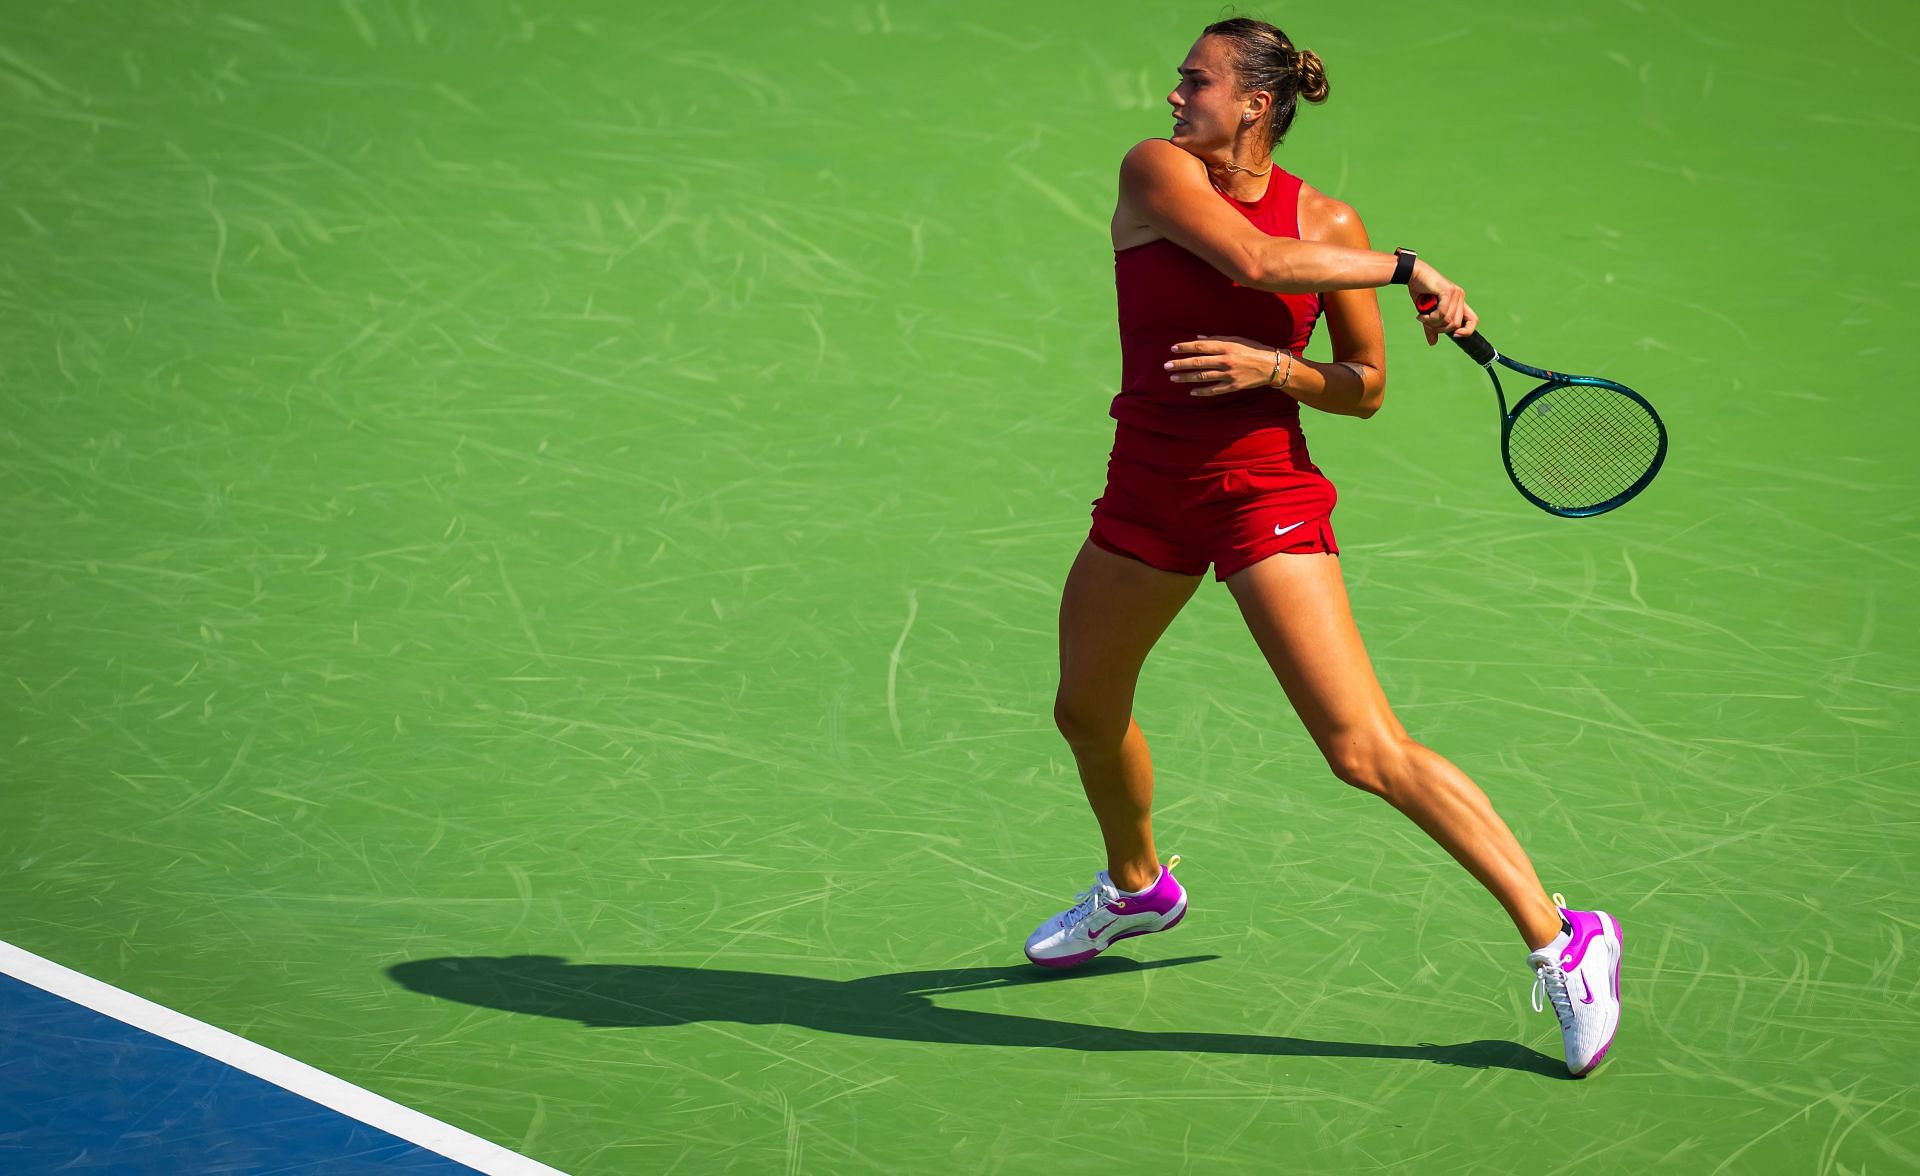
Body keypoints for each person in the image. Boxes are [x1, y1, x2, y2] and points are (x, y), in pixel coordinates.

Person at [1021, 17, 1623, 1077]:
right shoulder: (1156, 172)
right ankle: (1137, 889)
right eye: (1179, 81)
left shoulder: (1330, 221)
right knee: (1085, 708)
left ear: (1255, 102)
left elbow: (1366, 386)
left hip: (1261, 496)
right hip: (1147, 487)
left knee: (1363, 751)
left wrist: (1278, 373)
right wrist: (1405, 263)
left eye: (1195, 83)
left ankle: (1564, 937)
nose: (1174, 97)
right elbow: (1250, 258)